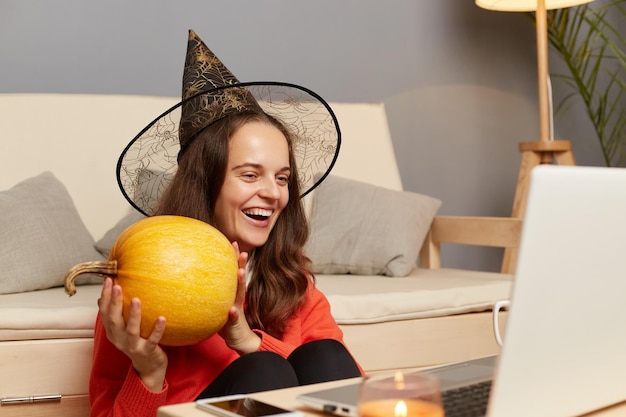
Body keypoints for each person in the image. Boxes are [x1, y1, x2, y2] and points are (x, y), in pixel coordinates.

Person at [89, 30, 362, 417]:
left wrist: (246, 340)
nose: (273, 193)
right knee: (265, 370)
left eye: (282, 178)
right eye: (250, 175)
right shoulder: (139, 284)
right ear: (207, 183)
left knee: (324, 353)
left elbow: (351, 387)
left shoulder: (293, 284)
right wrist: (149, 372)